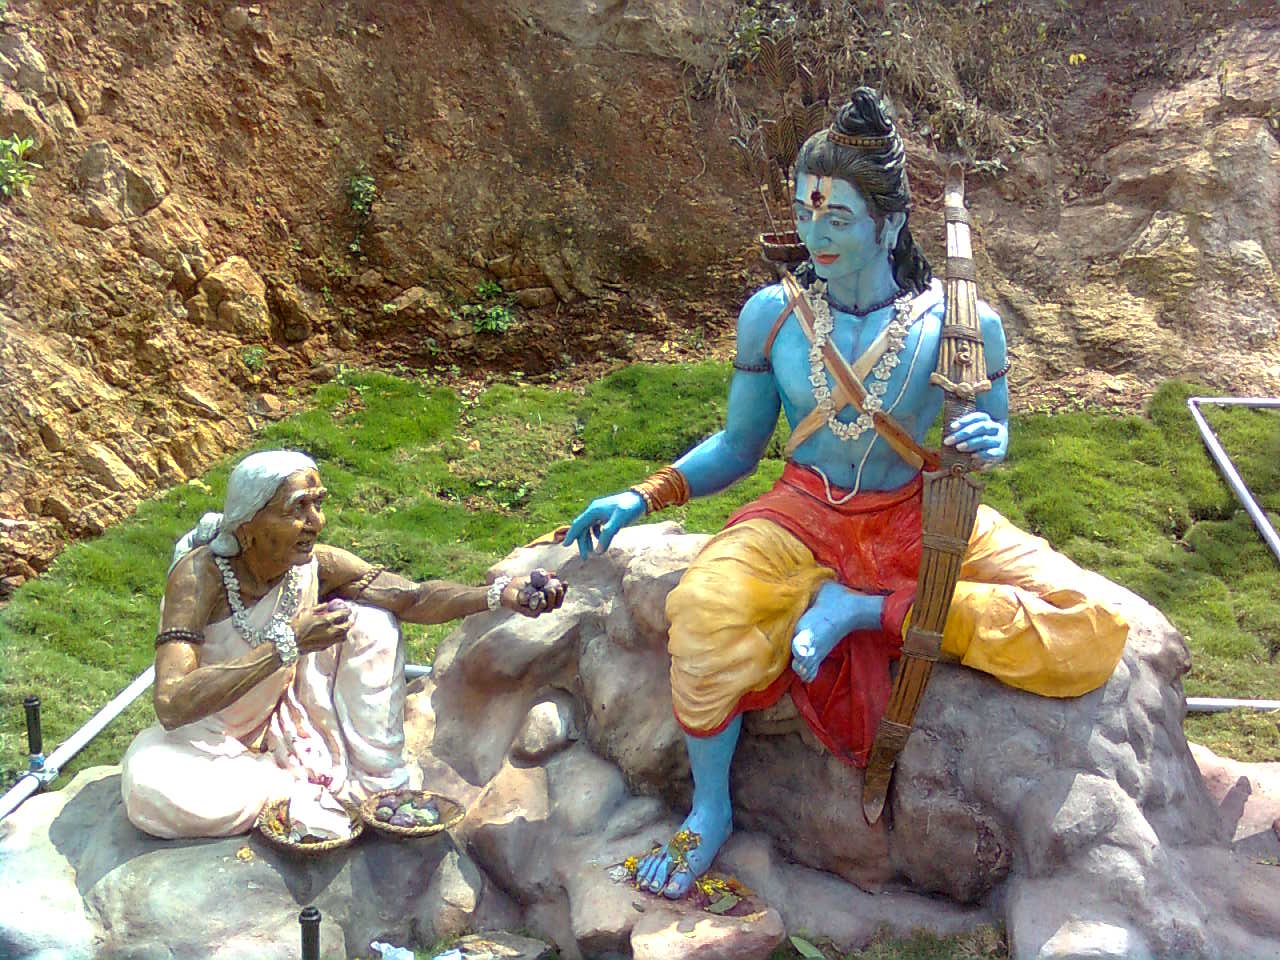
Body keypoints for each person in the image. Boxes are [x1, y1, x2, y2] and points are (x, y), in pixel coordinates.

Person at [564, 88, 1128, 898]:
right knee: (704, 611)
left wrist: (987, 441)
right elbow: (738, 446)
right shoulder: (771, 316)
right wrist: (643, 495)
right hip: (802, 514)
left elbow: (992, 437)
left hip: (919, 517)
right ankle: (711, 809)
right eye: (804, 214)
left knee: (1092, 626)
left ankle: (862, 611)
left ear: (890, 224)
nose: (813, 235)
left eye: (836, 219)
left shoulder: (962, 324)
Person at [122, 449, 565, 839]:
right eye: (297, 508)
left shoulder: (316, 564)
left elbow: (411, 597)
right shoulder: (201, 577)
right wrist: (286, 644)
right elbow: (172, 704)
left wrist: (499, 594)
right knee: (150, 788)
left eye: (318, 504)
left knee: (371, 621)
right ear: (248, 524)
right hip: (201, 740)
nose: (315, 521)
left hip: (287, 723)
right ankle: (300, 791)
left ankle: (373, 778)